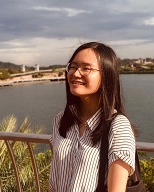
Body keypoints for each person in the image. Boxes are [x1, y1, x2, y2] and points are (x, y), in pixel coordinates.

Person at [49, 42, 135, 192]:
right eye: (73, 66)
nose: (76, 73)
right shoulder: (60, 120)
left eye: (86, 68)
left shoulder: (118, 126)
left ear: (106, 75)